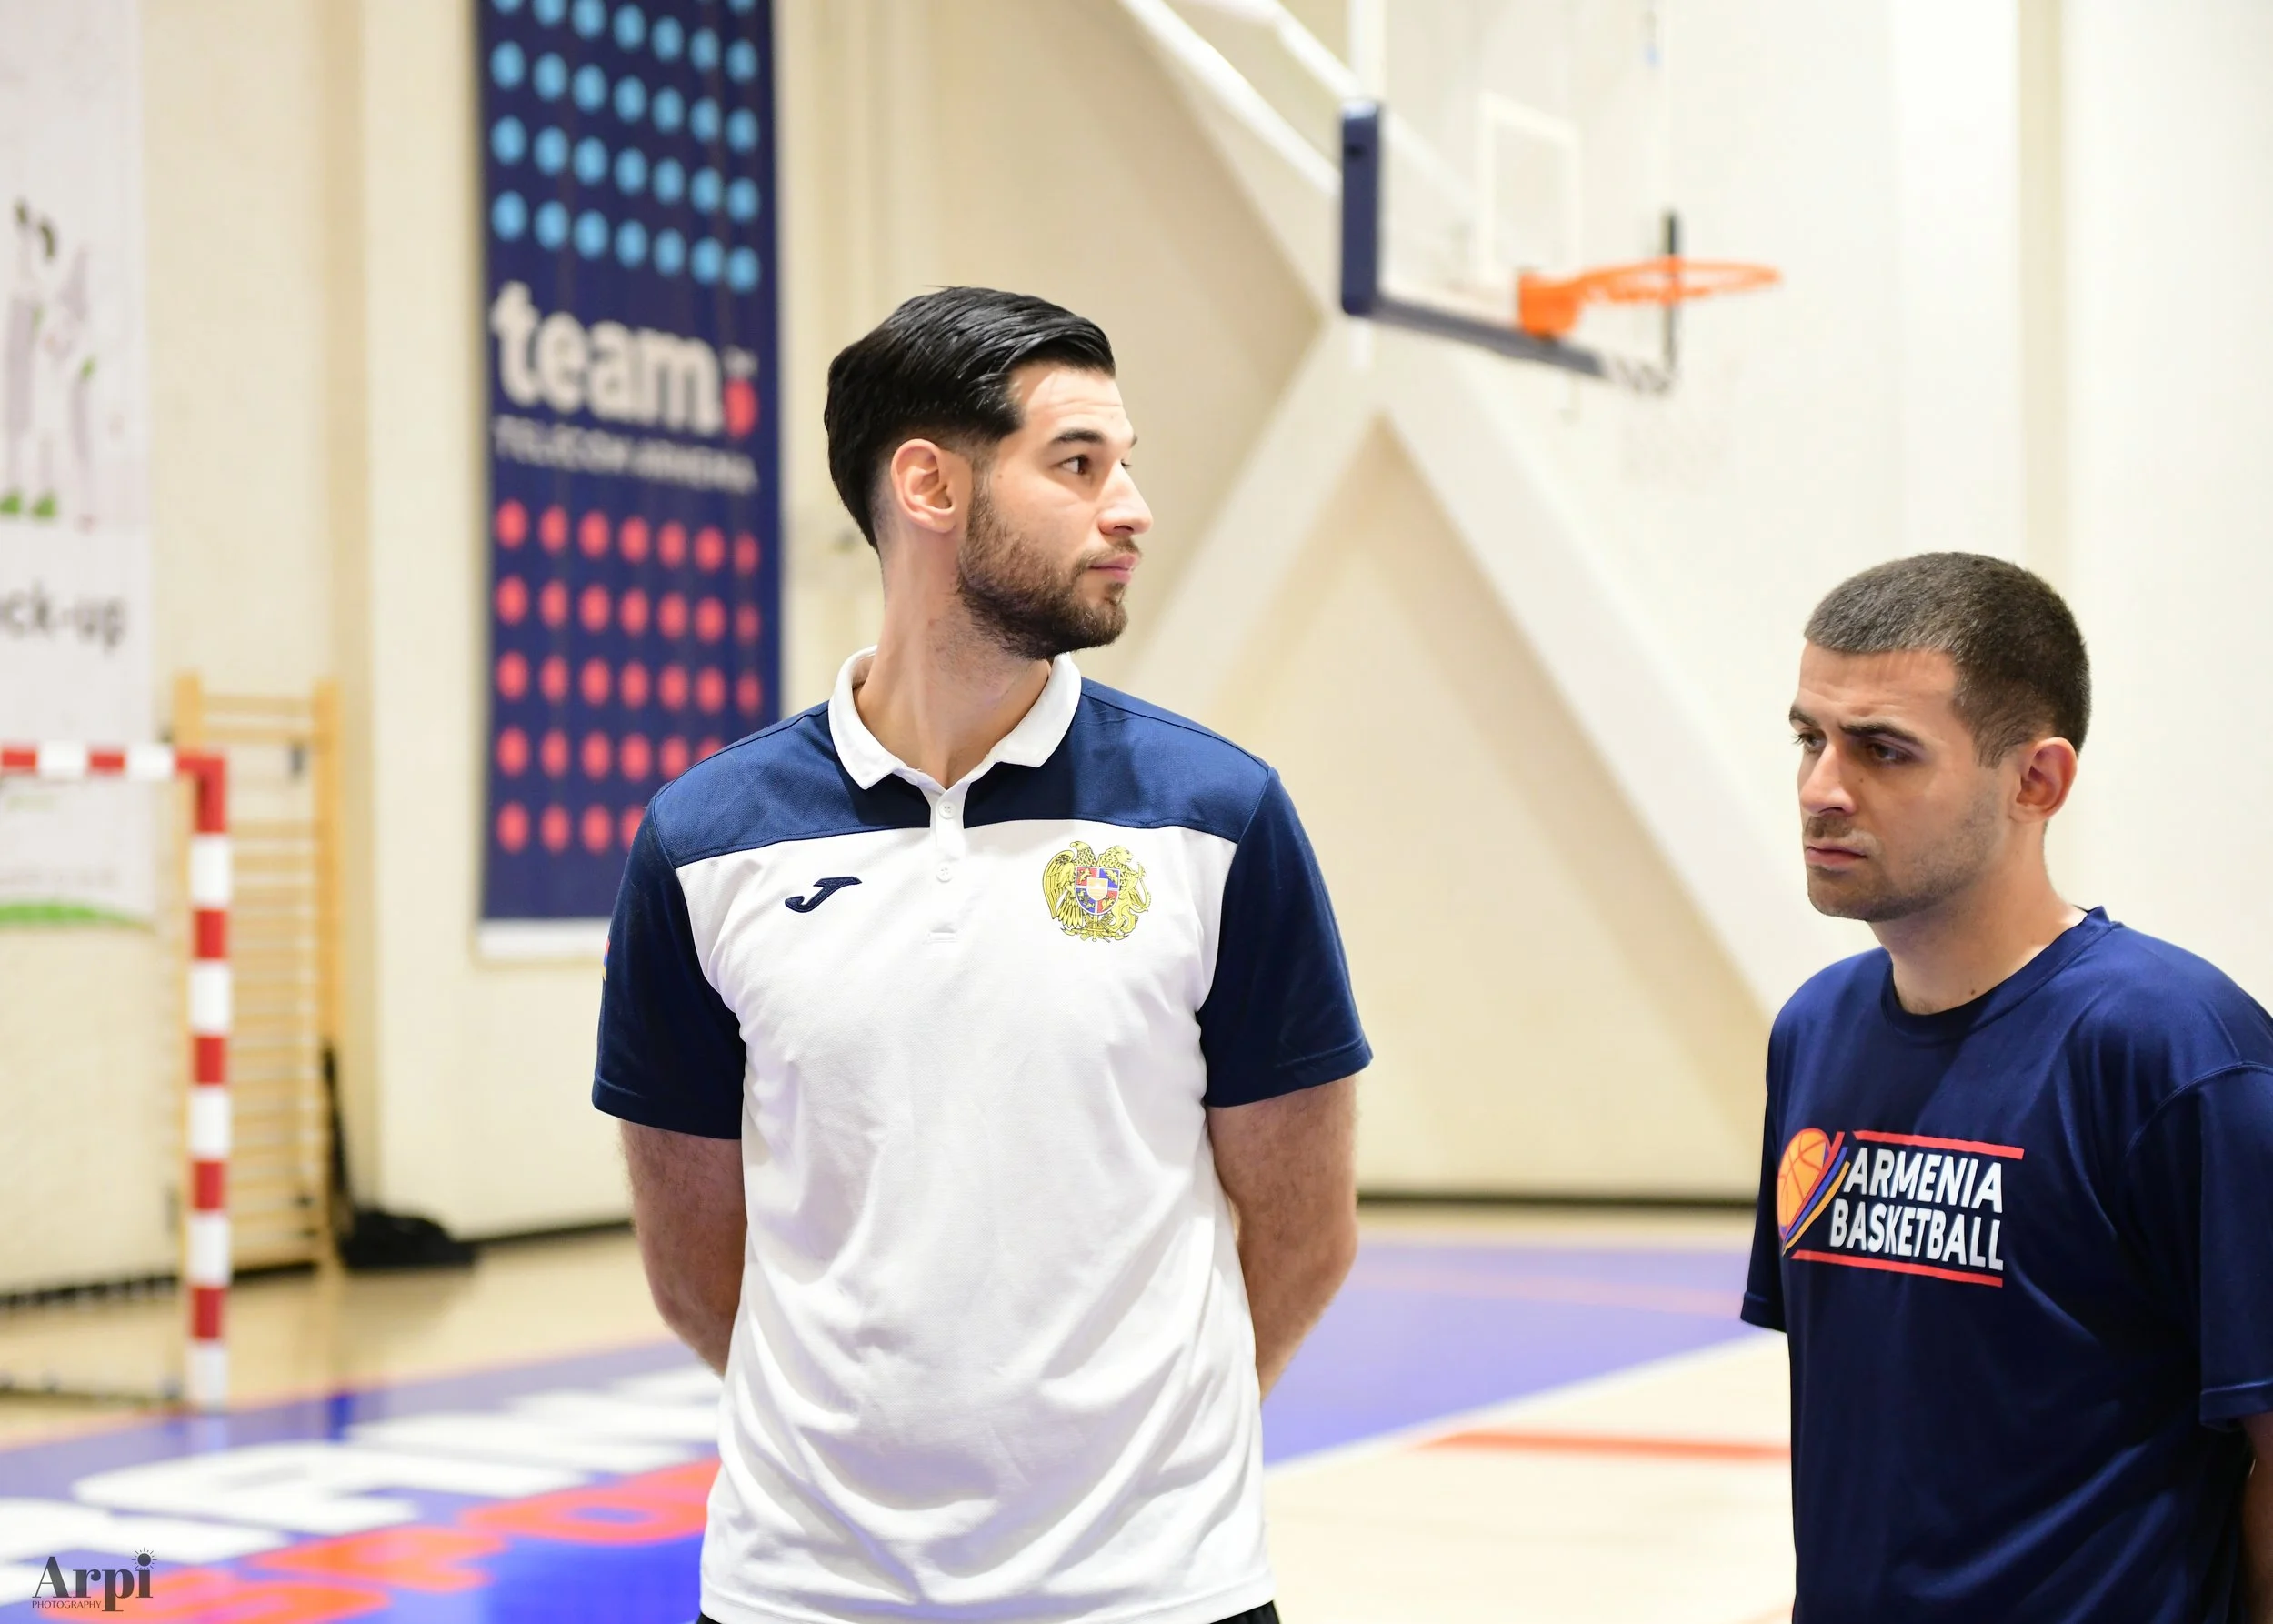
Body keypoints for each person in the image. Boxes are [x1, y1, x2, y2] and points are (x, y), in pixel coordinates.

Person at [594, 286, 1368, 1624]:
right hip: (804, 1592)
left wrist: (1140, 1474)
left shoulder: (1220, 817)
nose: (1130, 509)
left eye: (1127, 466)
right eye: (1078, 465)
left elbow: (1304, 1230)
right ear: (928, 485)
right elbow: (692, 1264)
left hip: (1157, 1590)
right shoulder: (704, 841)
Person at [1747, 552, 2273, 1621]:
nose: (1821, 789)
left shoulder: (2179, 1054)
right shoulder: (1814, 1031)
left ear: (2035, 781)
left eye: (1883, 750)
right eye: (1810, 737)